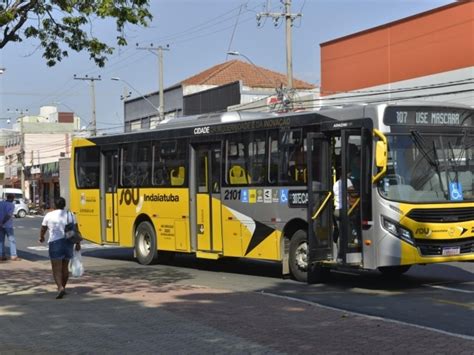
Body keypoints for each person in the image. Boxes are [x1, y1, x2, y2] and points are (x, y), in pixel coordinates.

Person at [39, 197, 81, 299]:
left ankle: (60, 287)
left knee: (56, 268)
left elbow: (43, 228)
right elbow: (76, 229)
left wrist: (42, 237)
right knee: (65, 267)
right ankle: (64, 287)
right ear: (64, 205)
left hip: (55, 242)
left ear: (55, 205)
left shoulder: (49, 215)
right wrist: (78, 243)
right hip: (68, 242)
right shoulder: (71, 215)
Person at [0, 193, 19, 261]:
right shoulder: (11, 205)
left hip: (0, 225)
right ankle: (13, 256)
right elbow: (8, 215)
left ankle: (1, 256)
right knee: (12, 240)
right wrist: (2, 222)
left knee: (1, 240)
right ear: (12, 198)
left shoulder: (1, 203)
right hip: (7, 225)